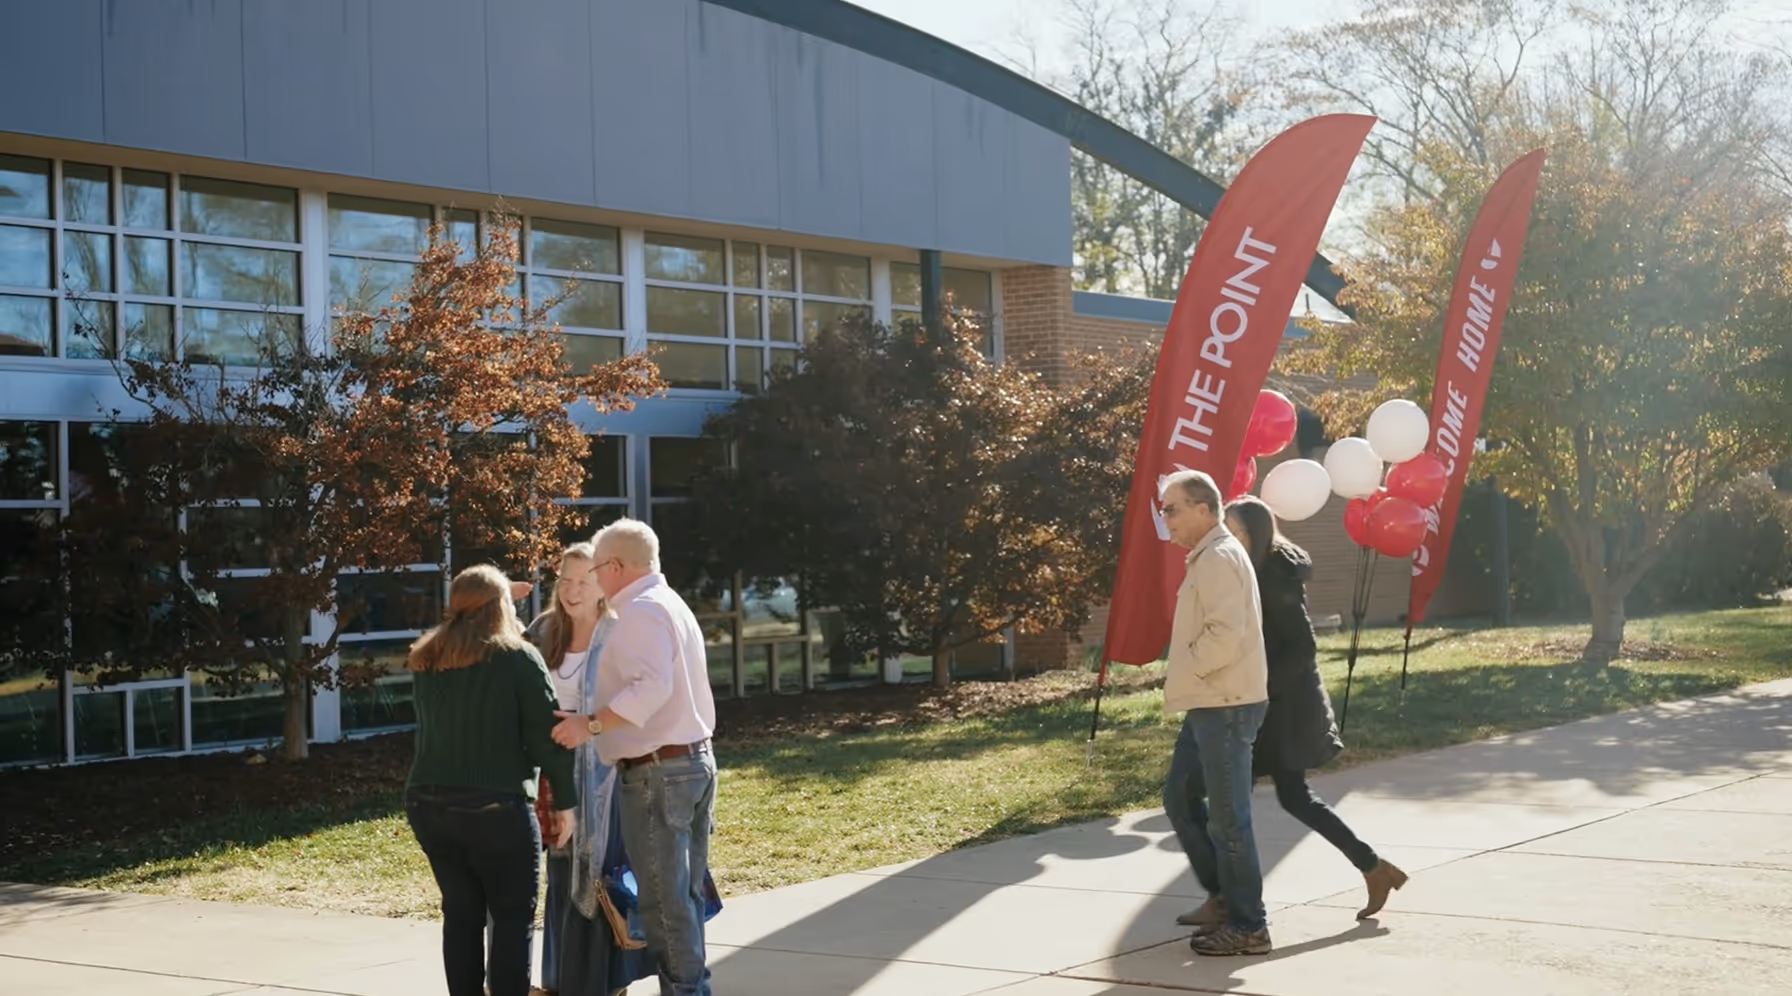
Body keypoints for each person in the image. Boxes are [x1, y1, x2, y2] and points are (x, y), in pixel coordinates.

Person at [552, 518, 717, 996]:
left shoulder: (639, 611)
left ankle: (687, 992)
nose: (595, 580)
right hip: (688, 765)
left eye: (596, 569)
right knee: (683, 900)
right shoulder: (669, 602)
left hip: (657, 773)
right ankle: (692, 987)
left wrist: (590, 723)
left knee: (665, 906)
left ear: (617, 567)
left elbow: (650, 689)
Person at [1222, 496, 1407, 919]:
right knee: (1275, 798)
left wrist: (1261, 687)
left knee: (1243, 800)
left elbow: (1303, 647)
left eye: (1236, 530)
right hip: (1267, 702)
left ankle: (1231, 904)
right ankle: (1374, 868)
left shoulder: (1274, 575)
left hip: (1283, 708)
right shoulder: (1246, 569)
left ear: (1256, 533)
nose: (1229, 537)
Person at [404, 565, 578, 996]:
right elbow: (547, 737)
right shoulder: (517, 657)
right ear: (501, 607)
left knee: (461, 915)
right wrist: (566, 801)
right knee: (512, 917)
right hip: (495, 808)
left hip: (428, 804)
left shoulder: (427, 657)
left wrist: (495, 593)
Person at [526, 542, 655, 996]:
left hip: (608, 779)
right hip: (557, 779)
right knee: (563, 880)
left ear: (602, 584)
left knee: (601, 880)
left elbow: (639, 702)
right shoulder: (543, 631)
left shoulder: (617, 632)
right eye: (566, 580)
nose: (573, 590)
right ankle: (564, 981)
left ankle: (605, 983)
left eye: (584, 581)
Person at [1158, 470, 1273, 957]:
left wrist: (1189, 667)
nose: (1165, 518)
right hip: (1210, 700)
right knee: (1179, 797)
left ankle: (1250, 926)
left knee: (1229, 820)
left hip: (1225, 703)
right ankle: (1225, 899)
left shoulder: (1219, 557)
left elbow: (1225, 635)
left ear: (1204, 509)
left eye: (1172, 508)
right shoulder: (1209, 555)